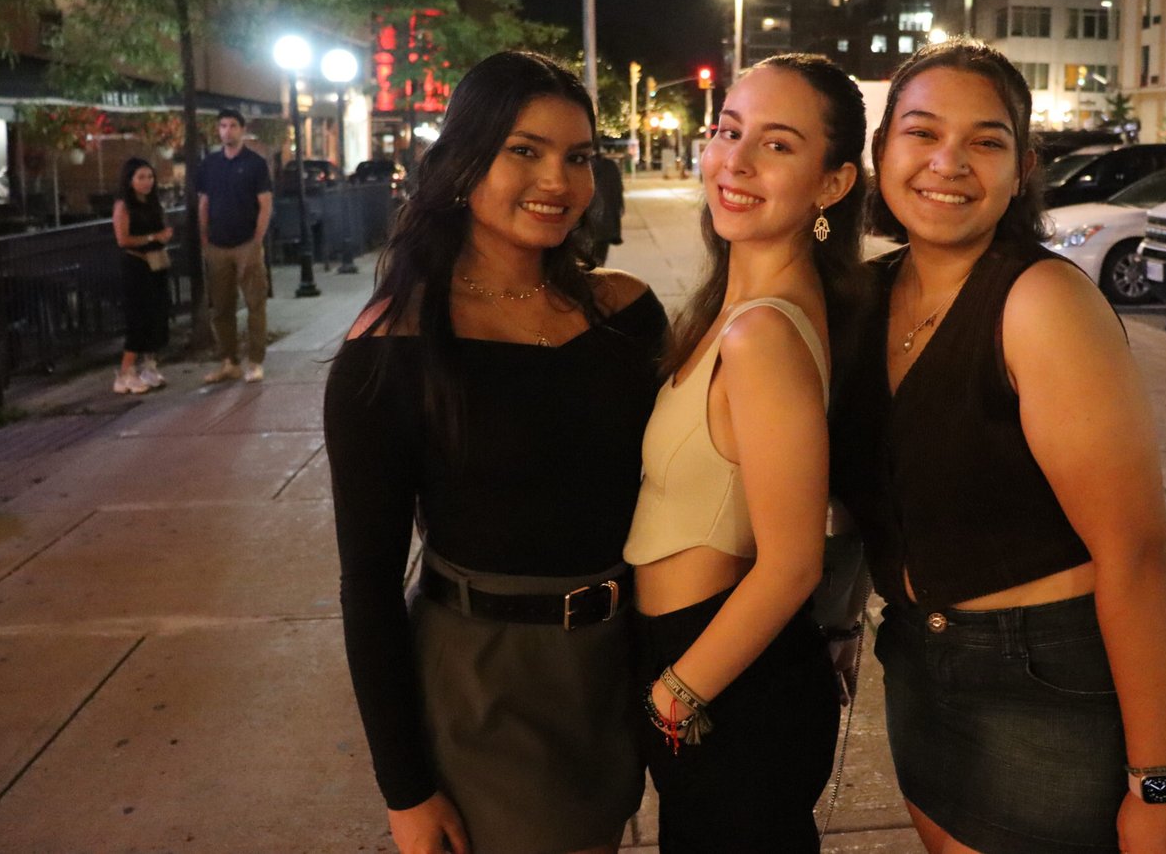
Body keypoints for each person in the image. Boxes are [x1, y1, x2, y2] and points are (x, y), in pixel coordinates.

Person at [829, 38, 1166, 854]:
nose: (949, 162)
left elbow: (1137, 555)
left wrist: (1161, 785)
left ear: (1022, 168)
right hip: (918, 662)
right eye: (923, 133)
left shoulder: (1040, 303)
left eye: (986, 141)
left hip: (1040, 683)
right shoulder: (866, 297)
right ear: (883, 150)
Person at [324, 51, 667, 854]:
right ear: (463, 164)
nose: (558, 180)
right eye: (524, 150)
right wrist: (405, 786)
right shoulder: (393, 346)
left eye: (578, 156)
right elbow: (368, 584)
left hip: (620, 663)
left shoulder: (626, 312)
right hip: (487, 678)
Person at [623, 53, 863, 853]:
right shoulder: (733, 309)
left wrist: (675, 692)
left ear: (832, 183)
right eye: (729, 130)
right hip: (708, 665)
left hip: (726, 682)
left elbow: (793, 562)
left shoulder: (761, 334)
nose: (737, 159)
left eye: (778, 144)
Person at [196, 108, 272, 384]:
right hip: (217, 244)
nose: (227, 131)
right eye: (223, 126)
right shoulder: (210, 164)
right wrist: (204, 237)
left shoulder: (255, 164)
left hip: (246, 243)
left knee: (255, 303)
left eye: (232, 126)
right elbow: (204, 202)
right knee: (221, 306)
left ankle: (255, 360)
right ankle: (229, 361)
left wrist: (257, 240)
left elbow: (265, 204)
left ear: (242, 129)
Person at [111, 157, 172, 394]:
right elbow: (122, 239)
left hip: (156, 264)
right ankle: (125, 372)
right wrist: (153, 237)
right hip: (136, 265)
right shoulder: (124, 206)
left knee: (157, 315)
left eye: (150, 177)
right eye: (141, 177)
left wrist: (163, 236)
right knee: (138, 318)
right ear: (130, 180)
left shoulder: (153, 203)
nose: (147, 182)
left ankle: (149, 365)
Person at [586, 148, 625, 265]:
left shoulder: (582, 165)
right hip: (606, 224)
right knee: (598, 262)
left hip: (583, 226)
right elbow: (618, 194)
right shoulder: (610, 166)